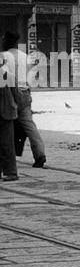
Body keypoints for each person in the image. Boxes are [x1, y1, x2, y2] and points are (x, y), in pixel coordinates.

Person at [2, 33, 46, 169]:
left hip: (8, 92)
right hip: (24, 92)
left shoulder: (3, 56)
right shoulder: (24, 57)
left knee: (5, 126)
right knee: (29, 125)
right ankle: (40, 154)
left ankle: (7, 158)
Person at [0, 38, 19, 182]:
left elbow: (14, 92)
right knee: (6, 142)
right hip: (7, 109)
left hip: (5, 110)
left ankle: (11, 172)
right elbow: (15, 93)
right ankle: (9, 171)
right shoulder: (7, 73)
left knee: (7, 143)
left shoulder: (6, 74)